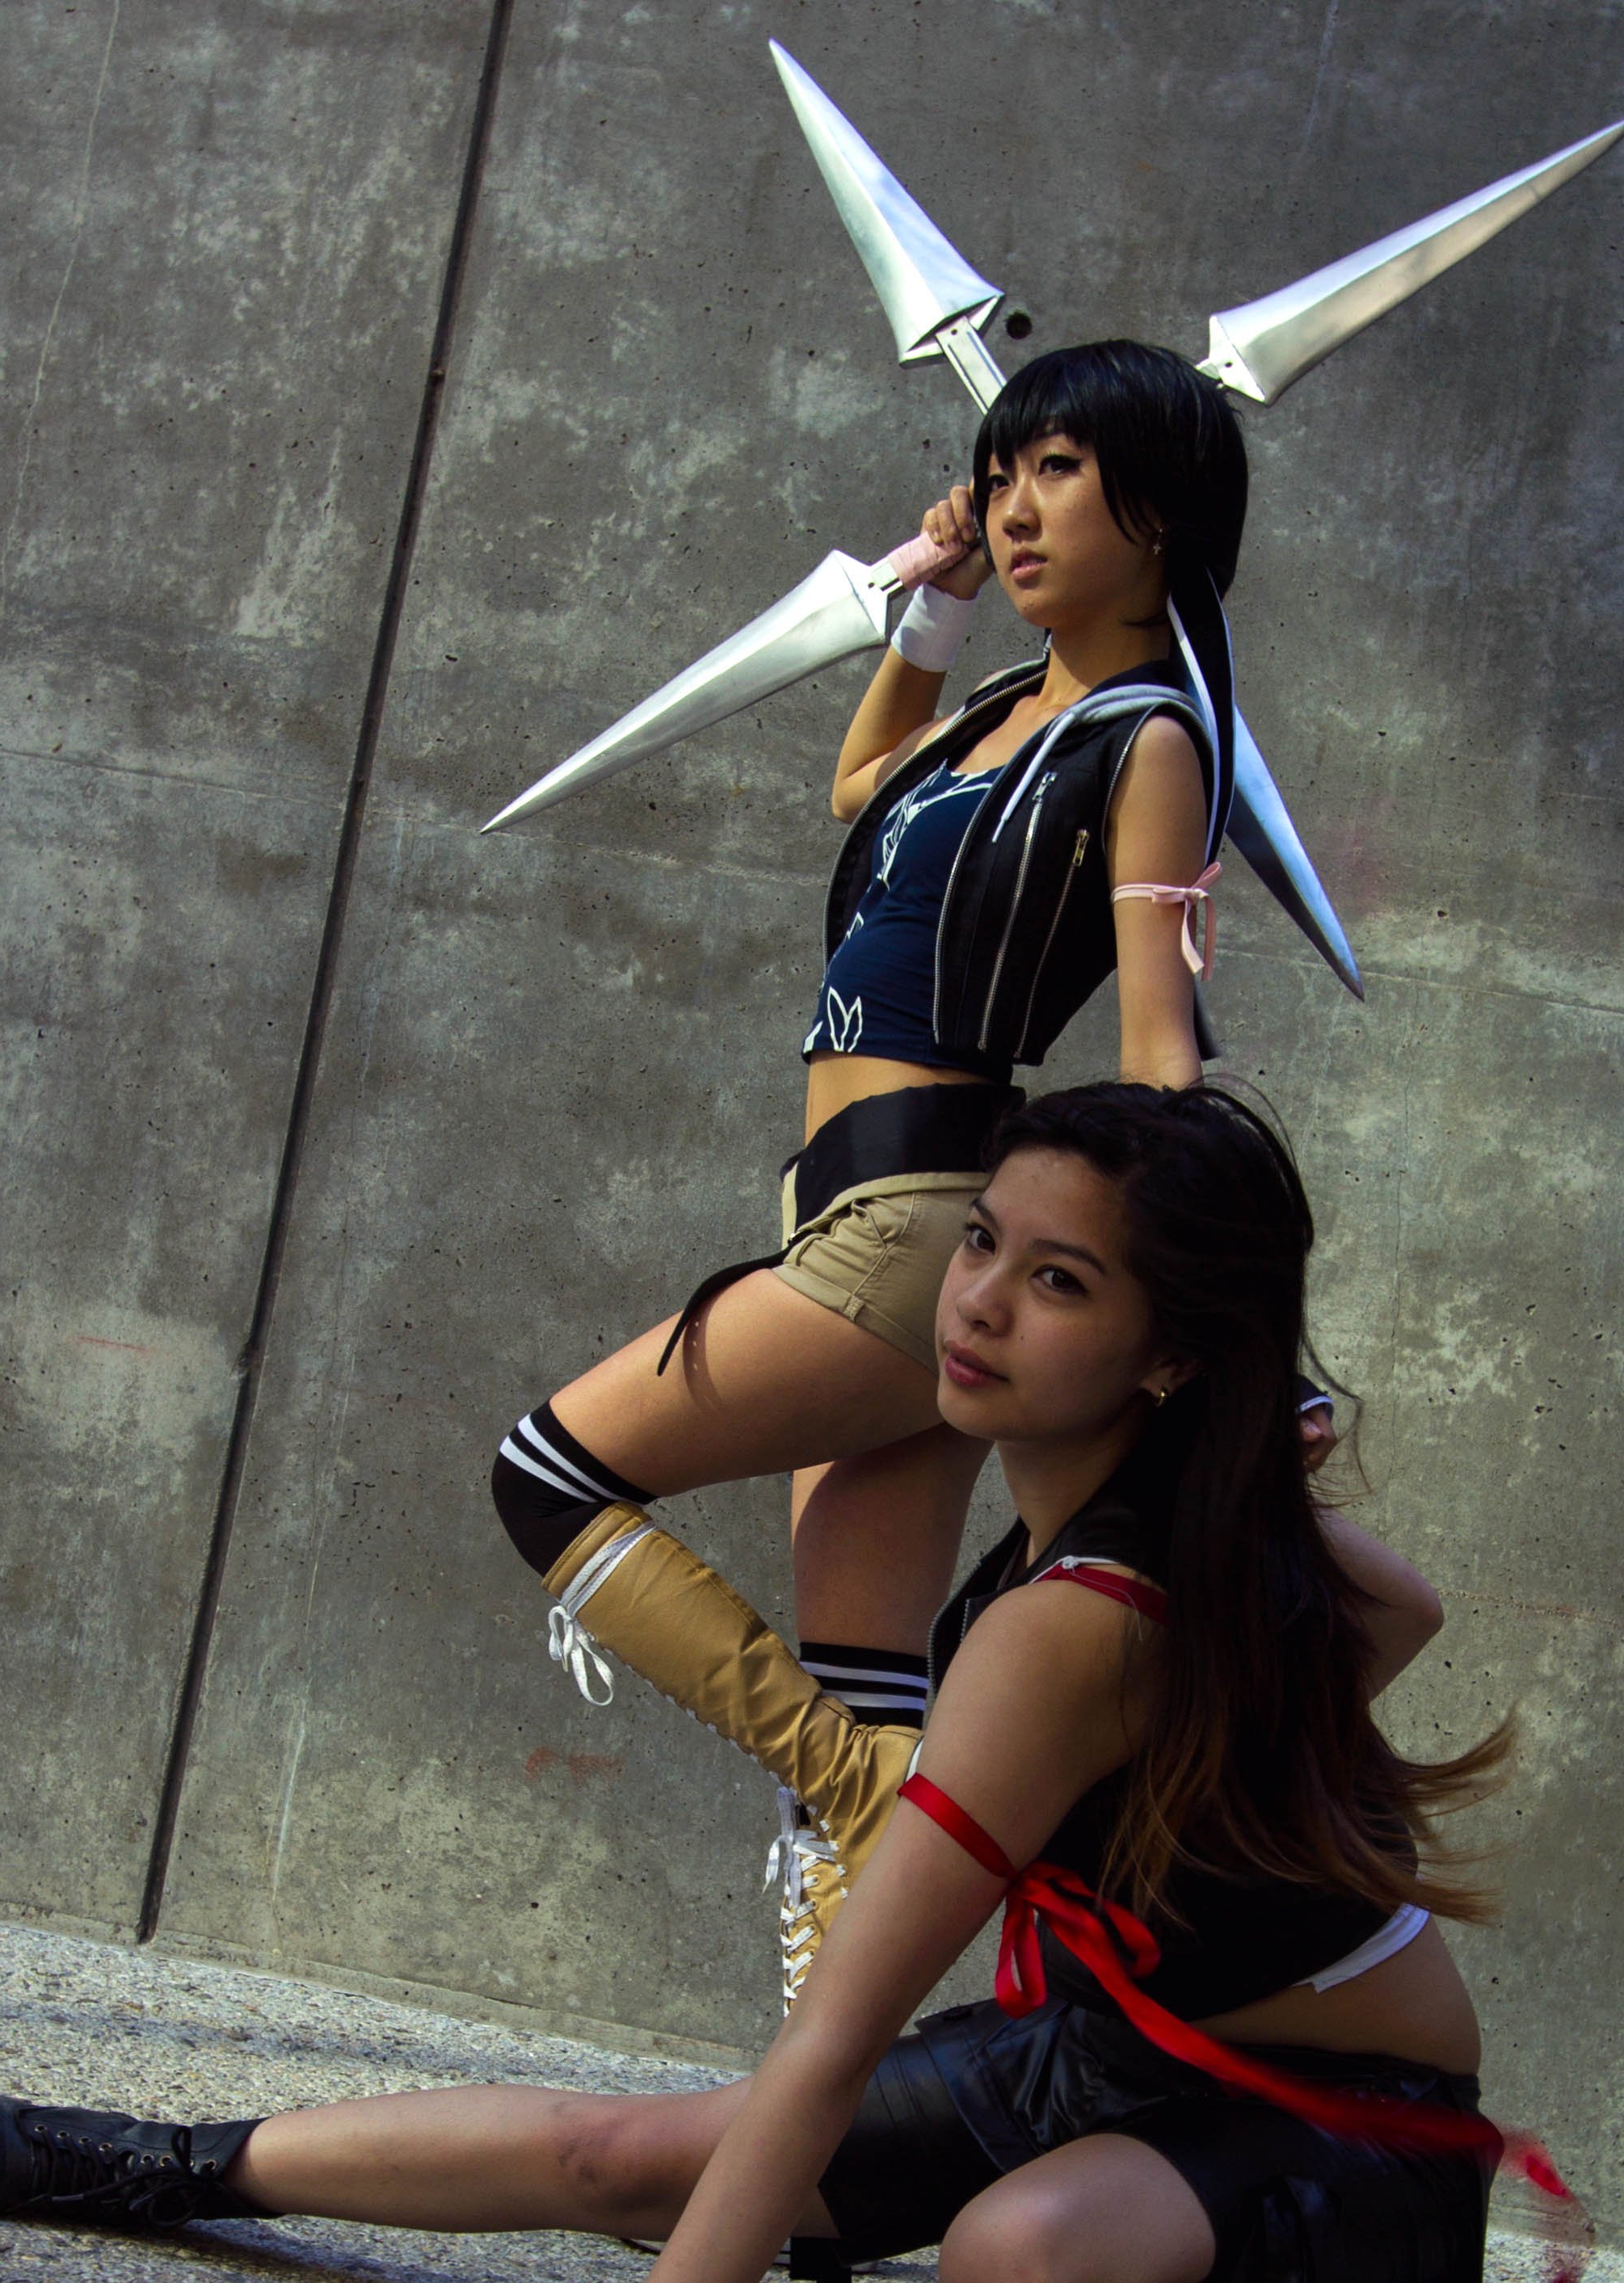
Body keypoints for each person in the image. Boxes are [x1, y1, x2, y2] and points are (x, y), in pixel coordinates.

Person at [0, 1083, 1622, 2283]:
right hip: (1121, 2049)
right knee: (622, 2155)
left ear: (1170, 1350)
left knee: (1018, 2277)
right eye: (978, 1243)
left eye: (1059, 1282)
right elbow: (1401, 1608)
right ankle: (157, 2164)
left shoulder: (1081, 1621)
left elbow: (830, 2044)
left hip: (1349, 2117)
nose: (975, 1303)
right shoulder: (1134, 1535)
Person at [491, 338, 1291, 2000]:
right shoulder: (1002, 711)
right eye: (1000, 477)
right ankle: (828, 2097)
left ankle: (879, 1796)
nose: (1013, 509)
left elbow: (1162, 1045)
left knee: (549, 1475)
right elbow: (863, 784)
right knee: (865, 1672)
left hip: (921, 1223)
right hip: (846, 1205)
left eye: (1056, 472)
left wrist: (1237, 1317)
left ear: (1159, 514)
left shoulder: (1148, 741)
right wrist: (930, 607)